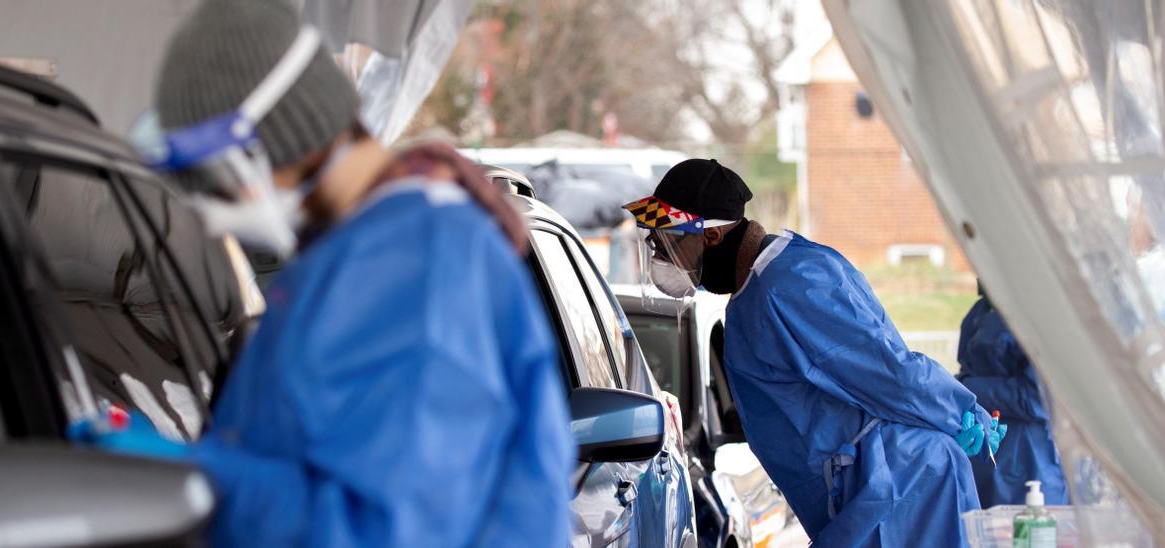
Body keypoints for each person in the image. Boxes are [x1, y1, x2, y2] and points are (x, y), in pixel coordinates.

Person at [75, 1, 575, 546]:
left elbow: (390, 530)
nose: (206, 206)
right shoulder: (350, 255)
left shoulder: (421, 264)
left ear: (269, 139)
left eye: (208, 175)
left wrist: (201, 479)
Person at [624, 159, 1006, 547]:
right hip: (863, 497)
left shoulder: (792, 284)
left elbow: (887, 371)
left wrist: (958, 413)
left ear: (712, 236)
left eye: (668, 241)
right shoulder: (754, 295)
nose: (661, 255)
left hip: (898, 490)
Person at [958, 286, 1069, 507]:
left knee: (1031, 529)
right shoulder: (981, 309)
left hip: (1028, 453)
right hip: (983, 446)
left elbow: (1038, 398)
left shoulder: (1036, 314)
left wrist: (967, 389)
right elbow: (967, 366)